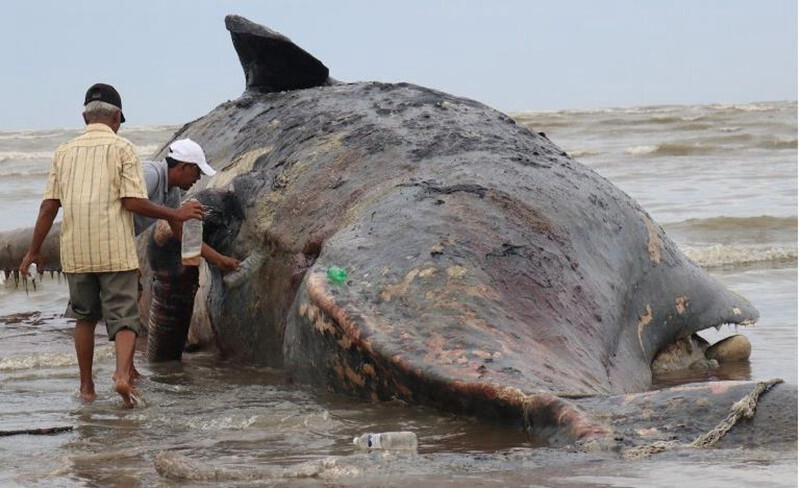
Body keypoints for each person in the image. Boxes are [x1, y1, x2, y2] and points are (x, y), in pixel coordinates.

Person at [19, 83, 204, 408]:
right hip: (114, 250)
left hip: (76, 252)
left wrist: (34, 251)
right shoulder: (123, 150)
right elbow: (132, 201)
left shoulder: (63, 152)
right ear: (117, 117)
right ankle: (121, 376)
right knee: (125, 317)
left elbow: (49, 207)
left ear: (84, 116)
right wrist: (175, 212)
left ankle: (87, 388)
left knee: (84, 318)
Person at [134, 138, 239, 273]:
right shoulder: (151, 174)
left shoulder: (172, 192)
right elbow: (132, 203)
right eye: (198, 172)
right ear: (184, 166)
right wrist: (176, 214)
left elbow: (181, 232)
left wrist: (219, 259)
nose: (199, 178)